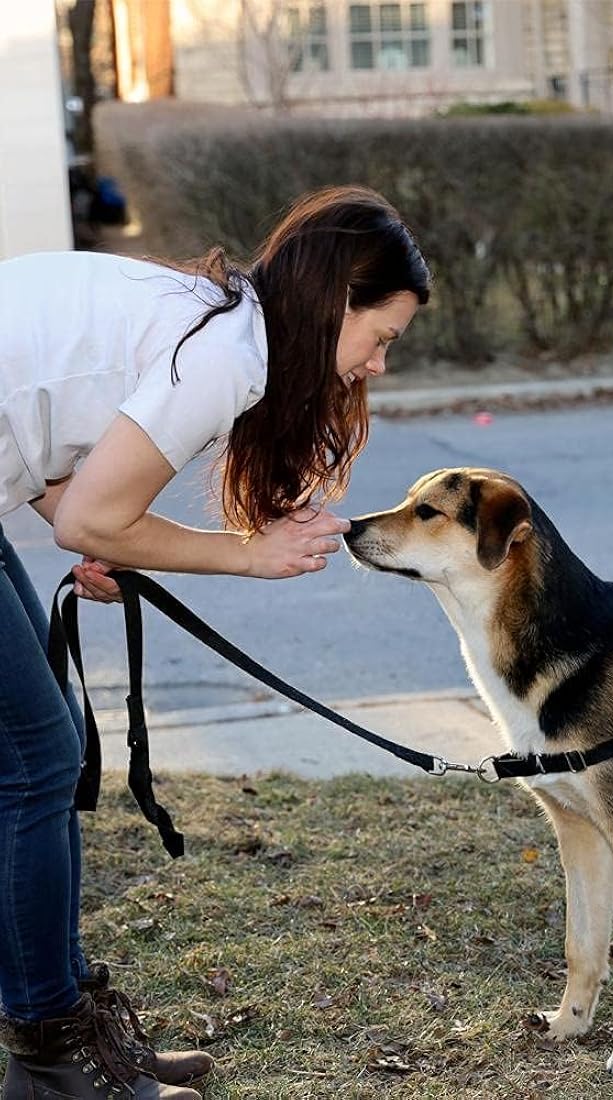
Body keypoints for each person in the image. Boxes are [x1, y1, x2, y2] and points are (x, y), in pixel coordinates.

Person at [0, 185, 430, 1097]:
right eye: (381, 336)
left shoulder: (222, 323)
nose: (380, 365)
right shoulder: (228, 359)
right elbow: (88, 513)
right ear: (334, 302)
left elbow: (52, 439)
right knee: (36, 767)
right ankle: (50, 1053)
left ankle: (64, 1023)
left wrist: (97, 530)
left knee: (45, 755)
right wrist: (244, 554)